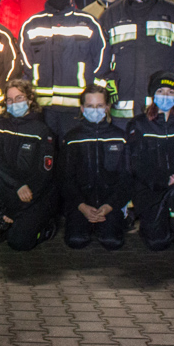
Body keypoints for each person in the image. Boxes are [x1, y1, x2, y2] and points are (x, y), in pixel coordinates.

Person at [0, 79, 58, 251]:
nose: (14, 103)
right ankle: (0, 219)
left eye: (19, 98)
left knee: (18, 243)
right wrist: (17, 186)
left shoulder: (42, 131)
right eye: (10, 100)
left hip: (33, 194)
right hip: (13, 187)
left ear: (30, 100)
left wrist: (18, 204)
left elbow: (44, 174)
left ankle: (46, 227)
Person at [18, 0, 107, 137]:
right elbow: (24, 59)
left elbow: (102, 57)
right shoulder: (32, 24)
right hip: (42, 106)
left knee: (72, 153)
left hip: (77, 104)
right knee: (46, 152)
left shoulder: (88, 22)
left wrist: (92, 90)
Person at [126, 72, 174, 251]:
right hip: (150, 189)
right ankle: (154, 224)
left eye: (170, 92)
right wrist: (165, 179)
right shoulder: (139, 125)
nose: (165, 96)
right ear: (152, 95)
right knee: (157, 243)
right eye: (160, 91)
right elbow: (137, 164)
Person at [61, 85, 130, 250]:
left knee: (112, 242)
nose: (95, 110)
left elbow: (126, 177)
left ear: (107, 107)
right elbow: (65, 178)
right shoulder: (72, 138)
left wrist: (110, 206)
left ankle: (115, 221)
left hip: (109, 204)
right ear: (82, 108)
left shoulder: (119, 137)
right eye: (90, 106)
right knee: (76, 241)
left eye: (99, 106)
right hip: (81, 203)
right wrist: (81, 206)